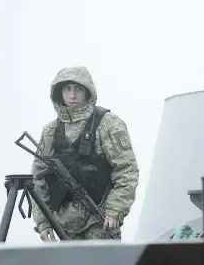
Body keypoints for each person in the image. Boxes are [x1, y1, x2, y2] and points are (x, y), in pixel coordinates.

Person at [30, 66, 139, 241]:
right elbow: (38, 179)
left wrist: (115, 210)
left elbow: (126, 171)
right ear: (59, 92)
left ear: (88, 91)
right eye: (67, 89)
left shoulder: (108, 125)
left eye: (78, 89)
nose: (72, 95)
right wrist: (43, 221)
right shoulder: (50, 131)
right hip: (63, 226)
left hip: (100, 222)